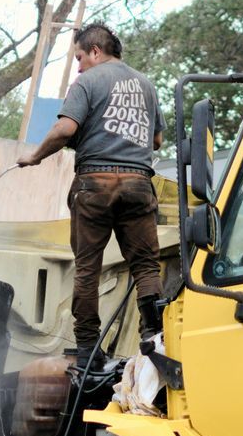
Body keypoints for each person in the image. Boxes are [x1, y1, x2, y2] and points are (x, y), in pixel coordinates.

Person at [17, 23, 163, 367]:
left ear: (95, 51)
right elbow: (155, 141)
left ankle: (87, 351)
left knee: (87, 268)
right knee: (145, 266)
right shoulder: (146, 85)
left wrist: (34, 156)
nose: (79, 65)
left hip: (94, 185)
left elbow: (66, 128)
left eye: (80, 57)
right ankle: (153, 336)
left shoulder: (86, 82)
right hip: (139, 184)